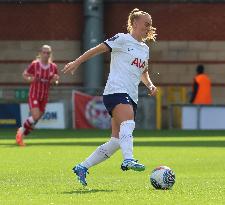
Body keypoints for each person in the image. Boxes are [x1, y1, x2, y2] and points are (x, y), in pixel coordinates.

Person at [62, 8, 157, 186]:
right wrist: (77, 62)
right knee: (128, 122)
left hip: (131, 95)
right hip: (115, 91)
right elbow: (96, 50)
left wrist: (150, 84)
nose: (148, 27)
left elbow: (143, 71)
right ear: (135, 23)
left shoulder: (144, 49)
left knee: (115, 141)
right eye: (146, 23)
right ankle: (128, 159)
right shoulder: (121, 39)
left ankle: (82, 166)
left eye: (150, 24)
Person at [16, 45, 59, 146]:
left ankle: (24, 132)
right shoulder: (35, 65)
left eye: (48, 53)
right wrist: (29, 79)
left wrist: (55, 81)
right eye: (44, 52)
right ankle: (20, 132)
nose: (46, 55)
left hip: (44, 96)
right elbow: (25, 75)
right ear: (40, 53)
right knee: (35, 116)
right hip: (34, 94)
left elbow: (55, 80)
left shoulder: (53, 67)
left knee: (37, 117)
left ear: (50, 54)